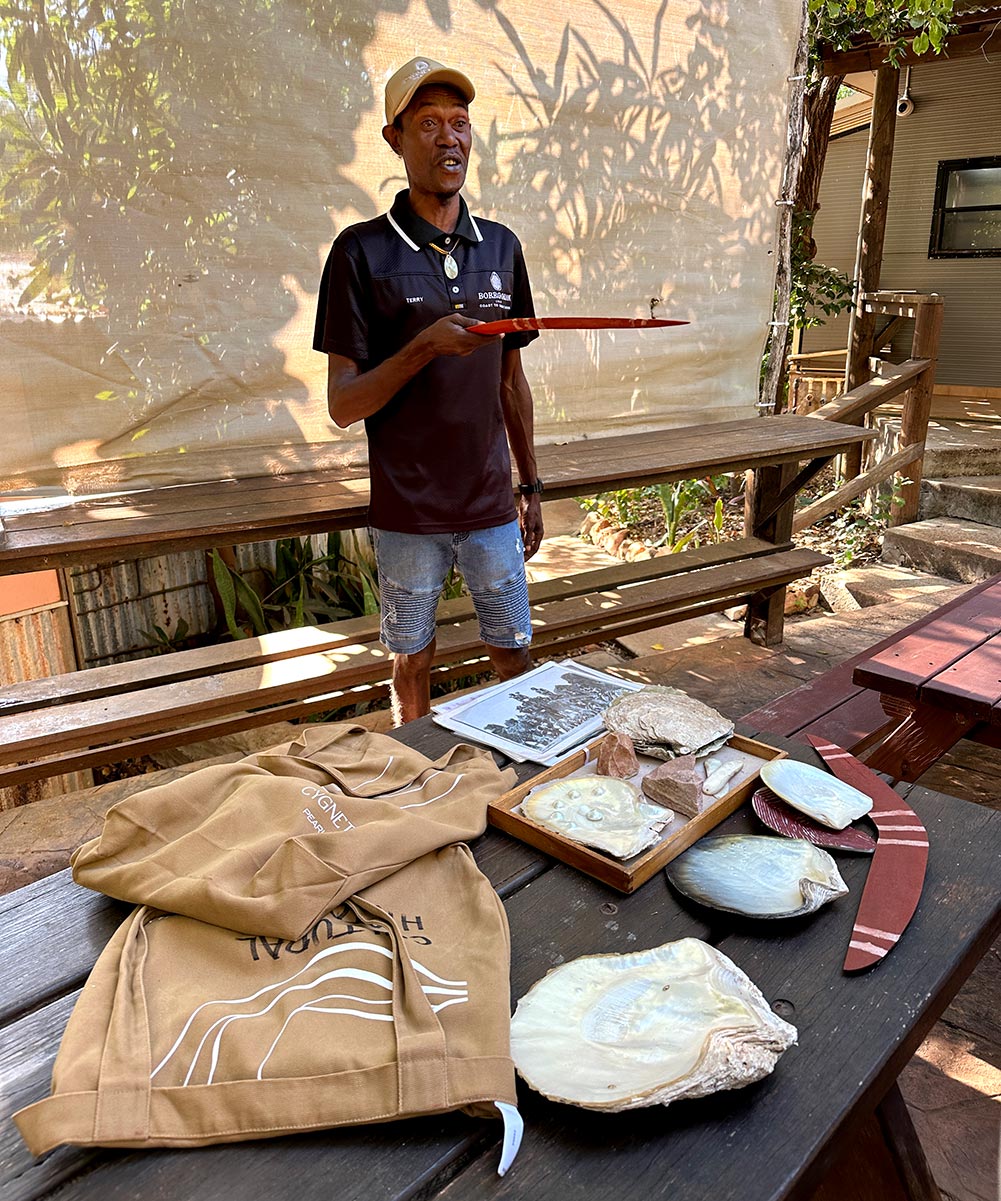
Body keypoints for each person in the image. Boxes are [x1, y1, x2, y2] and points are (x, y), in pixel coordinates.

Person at [313, 57, 545, 724]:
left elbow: (510, 380)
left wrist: (530, 485)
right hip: (407, 512)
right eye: (428, 124)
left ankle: (521, 778)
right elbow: (342, 404)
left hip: (490, 506)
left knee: (512, 651)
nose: (450, 139)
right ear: (395, 139)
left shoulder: (501, 248)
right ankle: (417, 779)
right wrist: (421, 347)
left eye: (460, 124)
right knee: (411, 659)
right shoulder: (359, 253)